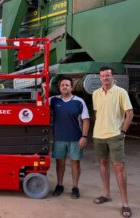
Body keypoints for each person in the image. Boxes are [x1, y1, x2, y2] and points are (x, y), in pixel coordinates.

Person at [92, 66, 133, 218]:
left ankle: (125, 203)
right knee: (103, 164)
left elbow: (129, 113)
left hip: (115, 135)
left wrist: (123, 131)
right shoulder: (96, 94)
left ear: (112, 76)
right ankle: (106, 194)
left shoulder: (121, 92)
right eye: (103, 76)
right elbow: (97, 113)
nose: (105, 78)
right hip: (99, 135)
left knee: (119, 168)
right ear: (99, 77)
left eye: (108, 75)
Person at [43, 76, 90, 199]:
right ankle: (59, 185)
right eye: (62, 85)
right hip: (59, 138)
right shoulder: (53, 100)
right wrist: (44, 91)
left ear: (71, 87)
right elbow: (41, 105)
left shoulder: (79, 102)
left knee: (75, 163)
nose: (65, 87)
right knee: (60, 163)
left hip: (75, 138)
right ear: (59, 87)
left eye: (67, 85)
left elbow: (86, 120)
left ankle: (75, 187)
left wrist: (84, 136)